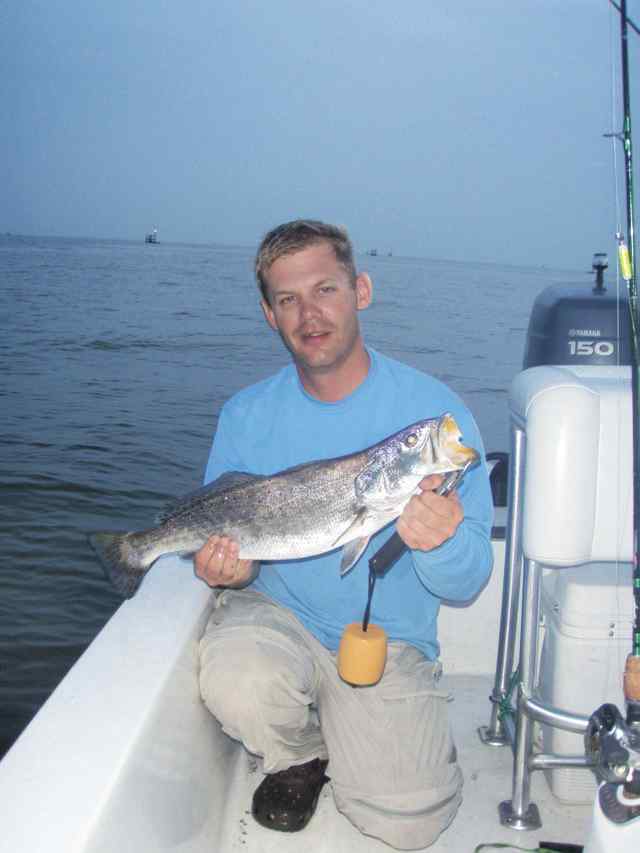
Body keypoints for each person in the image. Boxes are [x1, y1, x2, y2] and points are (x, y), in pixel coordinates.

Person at [195, 220, 493, 850]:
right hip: (277, 617)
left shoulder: (436, 421)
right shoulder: (245, 414)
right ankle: (299, 753)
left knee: (409, 821)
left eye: (325, 290)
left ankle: (365, 732)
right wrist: (229, 569)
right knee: (235, 676)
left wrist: (440, 541)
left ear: (361, 291)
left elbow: (468, 581)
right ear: (269, 315)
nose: (310, 314)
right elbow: (234, 545)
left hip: (388, 639)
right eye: (288, 299)